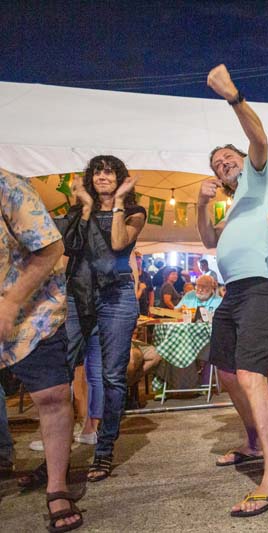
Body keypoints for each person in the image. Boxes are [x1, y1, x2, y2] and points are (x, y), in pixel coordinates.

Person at [196, 64, 268, 517]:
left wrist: (233, 97)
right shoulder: (234, 205)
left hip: (264, 287)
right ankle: (253, 442)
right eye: (217, 164)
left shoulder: (260, 175)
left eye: (227, 158)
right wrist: (200, 204)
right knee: (229, 374)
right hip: (233, 293)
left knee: (251, 374)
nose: (223, 164)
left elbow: (260, 139)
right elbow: (207, 240)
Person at [1, 168, 83, 531]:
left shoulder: (8, 185)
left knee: (51, 396)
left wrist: (10, 302)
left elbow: (51, 247)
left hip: (31, 311)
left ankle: (57, 486)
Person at [61, 155, 144, 482]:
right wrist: (84, 207)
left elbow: (119, 242)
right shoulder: (78, 210)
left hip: (116, 295)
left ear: (120, 178)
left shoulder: (134, 212)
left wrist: (119, 202)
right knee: (60, 371)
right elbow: (70, 246)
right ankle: (58, 454)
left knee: (112, 376)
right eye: (97, 172)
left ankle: (104, 450)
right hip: (78, 293)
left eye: (109, 172)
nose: (103, 176)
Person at [134, 250, 154, 316]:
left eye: (139, 259)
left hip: (144, 307)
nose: (138, 261)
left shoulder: (146, 275)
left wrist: (151, 307)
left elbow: (151, 292)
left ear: (142, 260)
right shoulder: (131, 275)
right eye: (135, 259)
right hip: (133, 308)